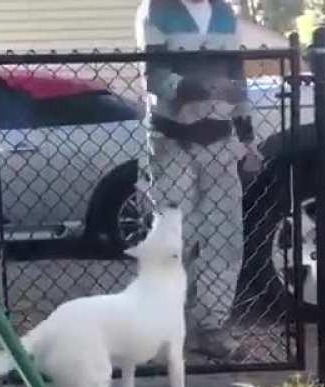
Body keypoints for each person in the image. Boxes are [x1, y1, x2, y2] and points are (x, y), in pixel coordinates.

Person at [135, 0, 260, 358]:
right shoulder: (156, 10)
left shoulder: (225, 14)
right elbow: (155, 77)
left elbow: (238, 78)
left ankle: (212, 328)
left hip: (220, 139)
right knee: (175, 236)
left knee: (225, 236)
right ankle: (169, 326)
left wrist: (247, 137)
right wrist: (204, 87)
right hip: (171, 140)